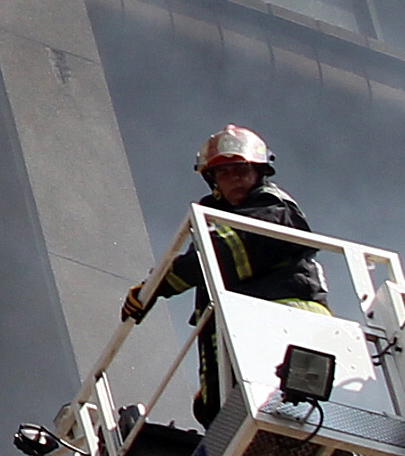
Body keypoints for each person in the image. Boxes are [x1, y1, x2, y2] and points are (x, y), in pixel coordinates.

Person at [123, 124, 330, 321]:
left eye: (241, 170)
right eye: (224, 173)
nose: (234, 178)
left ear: (258, 173)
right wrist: (150, 288)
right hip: (248, 327)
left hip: (291, 322)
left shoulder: (275, 209)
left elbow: (225, 252)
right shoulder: (214, 223)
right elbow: (201, 262)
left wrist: (158, 284)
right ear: (213, 181)